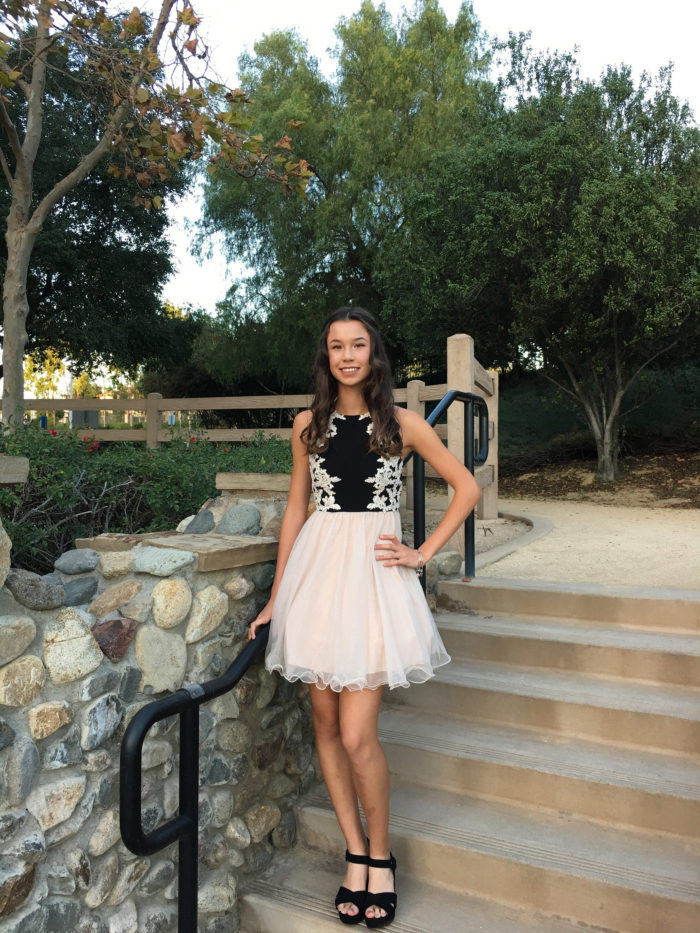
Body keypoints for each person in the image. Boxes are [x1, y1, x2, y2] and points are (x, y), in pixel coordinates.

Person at [248, 306, 481, 927]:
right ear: (325, 357)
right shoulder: (308, 425)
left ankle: (383, 854)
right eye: (336, 346)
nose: (347, 355)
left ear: (374, 354)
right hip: (318, 580)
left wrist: (423, 553)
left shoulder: (401, 424)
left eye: (358, 345)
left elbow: (467, 487)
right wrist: (277, 596)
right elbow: (296, 511)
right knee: (323, 722)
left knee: (357, 735)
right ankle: (355, 852)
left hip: (374, 581)